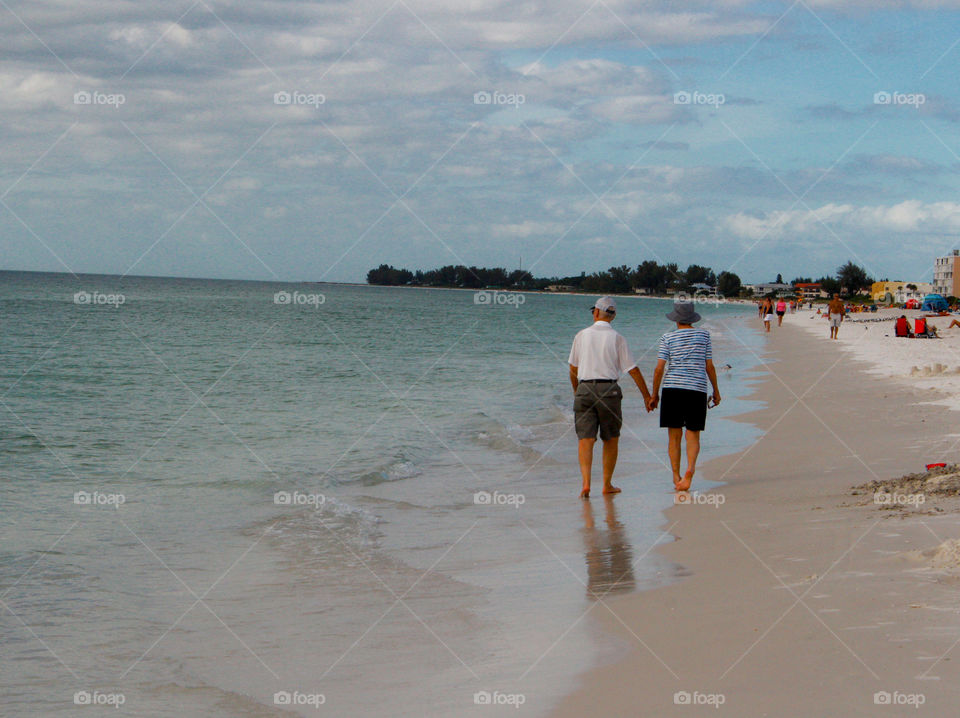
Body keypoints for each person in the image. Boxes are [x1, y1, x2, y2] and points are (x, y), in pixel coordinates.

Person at [569, 297, 654, 499]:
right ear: (612, 316)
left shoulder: (581, 335)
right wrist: (647, 396)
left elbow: (573, 368)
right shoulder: (617, 338)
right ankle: (606, 484)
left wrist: (577, 391)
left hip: (585, 388)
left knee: (586, 439)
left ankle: (586, 483)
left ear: (596, 313)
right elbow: (632, 369)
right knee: (611, 438)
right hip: (609, 390)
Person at [650, 302, 721, 493]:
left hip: (672, 389)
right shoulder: (704, 335)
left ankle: (676, 476)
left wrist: (654, 394)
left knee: (674, 436)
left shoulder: (667, 338)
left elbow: (659, 369)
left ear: (676, 319)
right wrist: (716, 390)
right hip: (696, 389)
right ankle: (690, 470)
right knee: (693, 434)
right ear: (692, 319)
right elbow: (709, 366)